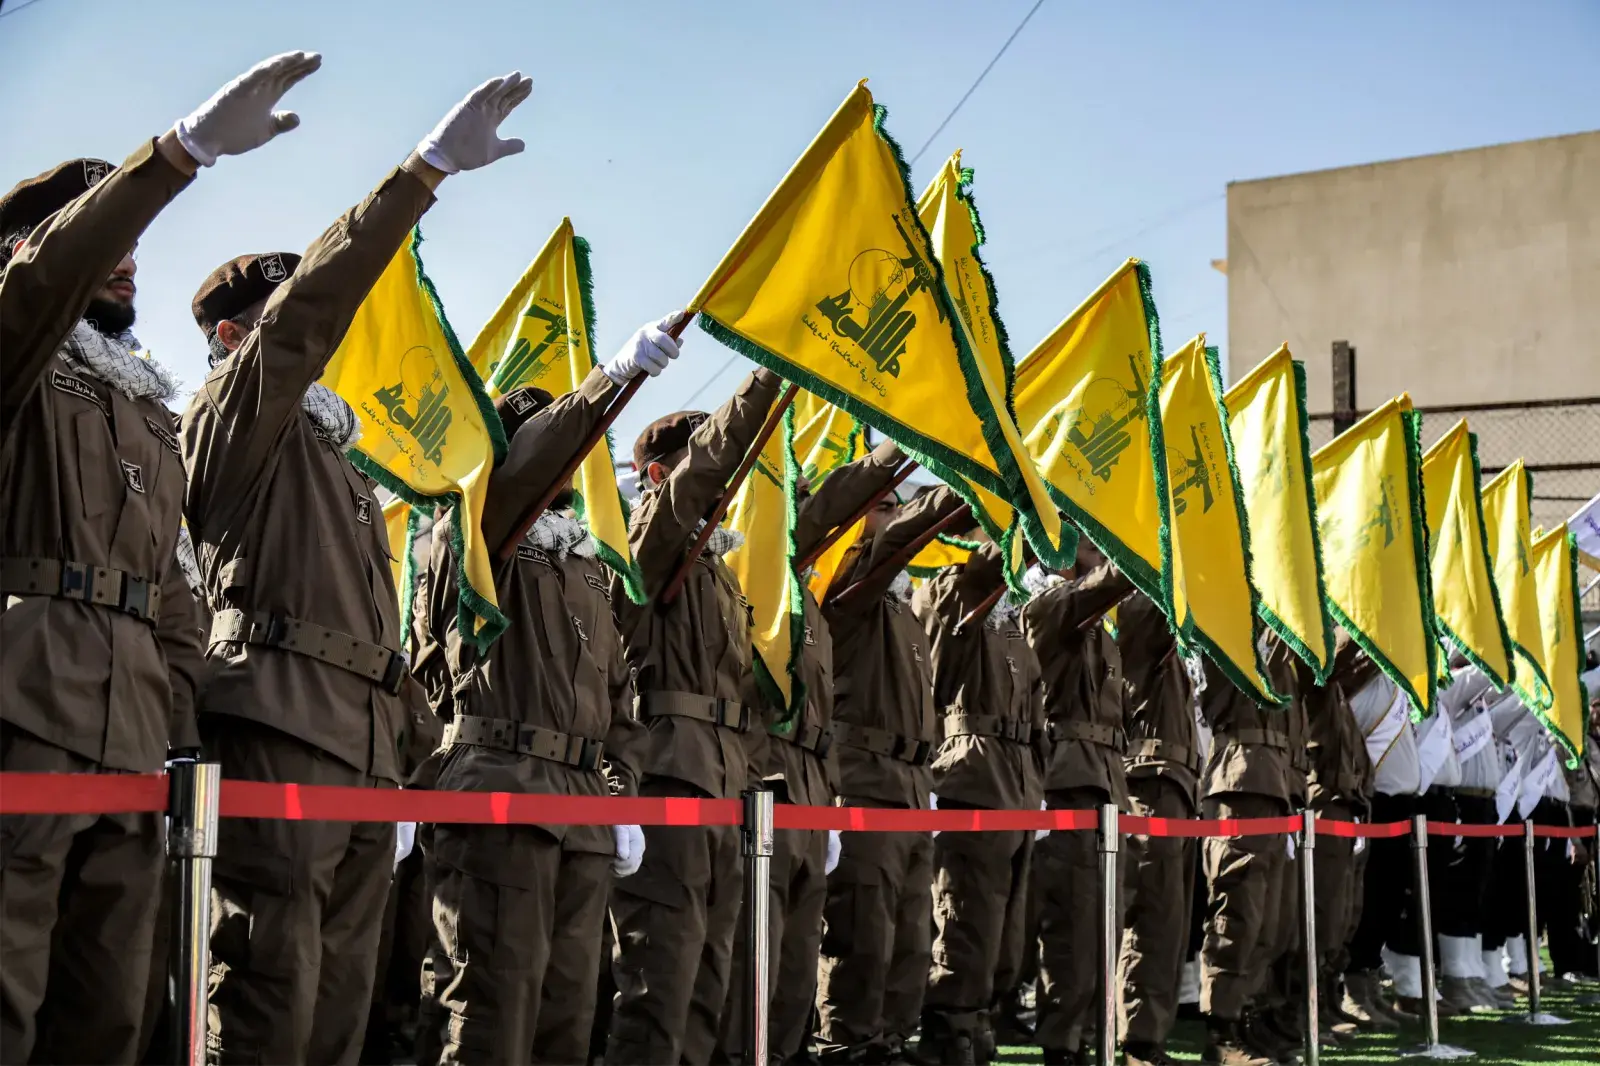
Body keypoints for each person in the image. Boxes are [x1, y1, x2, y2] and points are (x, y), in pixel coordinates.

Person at [180, 70, 533, 1063]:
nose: (323, 344)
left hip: (363, 735)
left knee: (341, 991)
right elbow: (303, 323)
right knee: (267, 980)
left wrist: (407, 736)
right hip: (281, 716)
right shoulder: (232, 413)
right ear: (232, 334)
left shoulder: (329, 453)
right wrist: (420, 175)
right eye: (288, 321)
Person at [0, 52, 316, 1063]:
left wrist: (180, 728)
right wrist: (179, 154)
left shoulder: (142, 404)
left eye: (136, 238)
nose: (131, 253)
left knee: (114, 1005)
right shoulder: (16, 349)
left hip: (132, 720)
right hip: (24, 703)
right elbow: (43, 279)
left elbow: (175, 585)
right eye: (108, 234)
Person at [416, 321, 676, 1064]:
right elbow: (522, 472)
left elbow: (619, 697)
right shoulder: (472, 531)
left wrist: (619, 792)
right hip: (501, 790)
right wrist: (608, 380)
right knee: (494, 1009)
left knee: (568, 1013)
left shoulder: (582, 563)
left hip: (581, 805)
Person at [605, 368, 785, 1065]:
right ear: (656, 474)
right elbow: (696, 483)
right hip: (670, 773)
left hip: (725, 776)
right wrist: (769, 375)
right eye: (698, 460)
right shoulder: (649, 538)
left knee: (714, 964)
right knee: (661, 969)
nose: (722, 480)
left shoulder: (716, 572)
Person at [722, 446, 912, 1063]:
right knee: (758, 955)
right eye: (788, 497)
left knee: (798, 962)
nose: (799, 510)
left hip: (809, 785)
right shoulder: (747, 569)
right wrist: (904, 443)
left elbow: (821, 714)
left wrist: (826, 795)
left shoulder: (805, 595)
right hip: (762, 777)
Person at [814, 471, 961, 1064]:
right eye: (880, 507)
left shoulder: (901, 608)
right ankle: (848, 1044)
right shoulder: (849, 584)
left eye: (895, 506)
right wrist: (960, 482)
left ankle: (892, 1039)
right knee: (863, 931)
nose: (890, 515)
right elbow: (898, 539)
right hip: (864, 777)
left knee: (910, 933)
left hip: (908, 780)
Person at [916, 539, 1047, 1065]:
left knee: (1006, 931)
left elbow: (1034, 704)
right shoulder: (954, 589)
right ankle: (950, 1032)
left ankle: (978, 1022)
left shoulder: (1011, 611)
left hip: (1015, 782)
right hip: (971, 776)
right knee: (966, 917)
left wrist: (1036, 779)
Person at [1020, 543, 1134, 1065]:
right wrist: (1146, 546)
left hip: (1106, 787)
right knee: (1072, 931)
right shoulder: (1047, 605)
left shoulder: (1097, 627)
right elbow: (1103, 586)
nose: (1098, 551)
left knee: (1103, 930)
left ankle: (1087, 1036)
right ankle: (1062, 1046)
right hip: (1069, 785)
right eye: (1090, 542)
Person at [1194, 638, 1299, 1066]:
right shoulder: (1225, 624)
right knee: (1237, 915)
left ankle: (1246, 1021)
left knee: (1268, 924)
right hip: (1239, 780)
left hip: (1273, 783)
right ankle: (1221, 1034)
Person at [1115, 593, 1199, 1063]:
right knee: (1149, 915)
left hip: (1177, 783)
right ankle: (1137, 1036)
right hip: (1150, 783)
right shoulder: (1138, 613)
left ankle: (1147, 1033)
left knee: (1167, 920)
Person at [1300, 635, 1380, 1033]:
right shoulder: (1317, 683)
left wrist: (1382, 648)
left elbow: (1355, 671)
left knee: (1344, 915)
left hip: (1347, 804)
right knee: (1323, 914)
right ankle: (1310, 1005)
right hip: (1324, 803)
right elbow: (1334, 670)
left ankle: (1329, 999)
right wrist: (1366, 631)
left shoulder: (1339, 694)